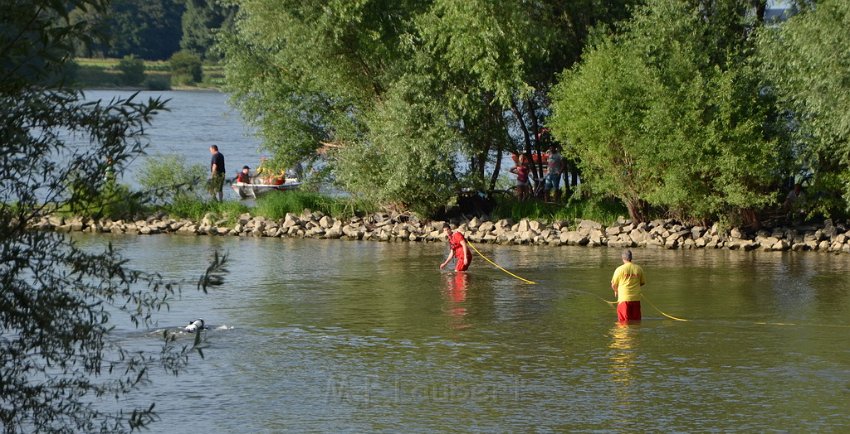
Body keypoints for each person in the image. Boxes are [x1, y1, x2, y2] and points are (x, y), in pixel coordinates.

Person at [610, 249, 645, 322]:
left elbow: (613, 284)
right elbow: (642, 283)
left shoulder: (619, 269)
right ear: (631, 258)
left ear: (623, 258)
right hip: (636, 299)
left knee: (623, 323)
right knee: (636, 322)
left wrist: (616, 291)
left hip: (624, 299)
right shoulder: (639, 269)